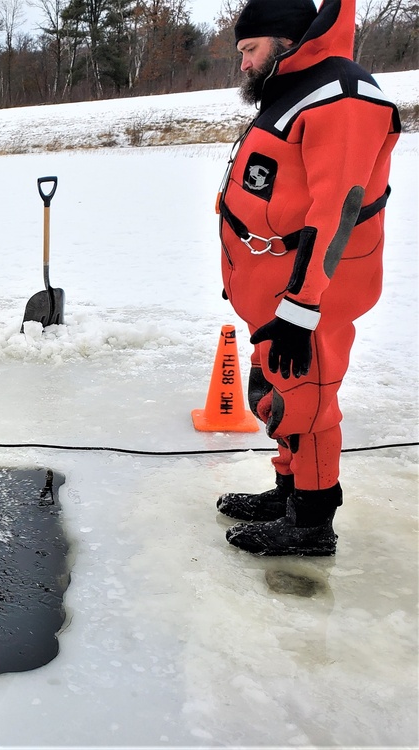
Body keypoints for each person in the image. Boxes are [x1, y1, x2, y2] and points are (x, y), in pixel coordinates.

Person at [214, 0, 400, 556]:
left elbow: (336, 212)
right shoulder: (294, 86)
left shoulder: (342, 96)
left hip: (313, 291)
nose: (243, 64)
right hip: (275, 289)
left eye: (249, 50)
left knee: (310, 404)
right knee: (282, 391)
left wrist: (300, 308)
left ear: (286, 39)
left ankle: (311, 523)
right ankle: (289, 491)